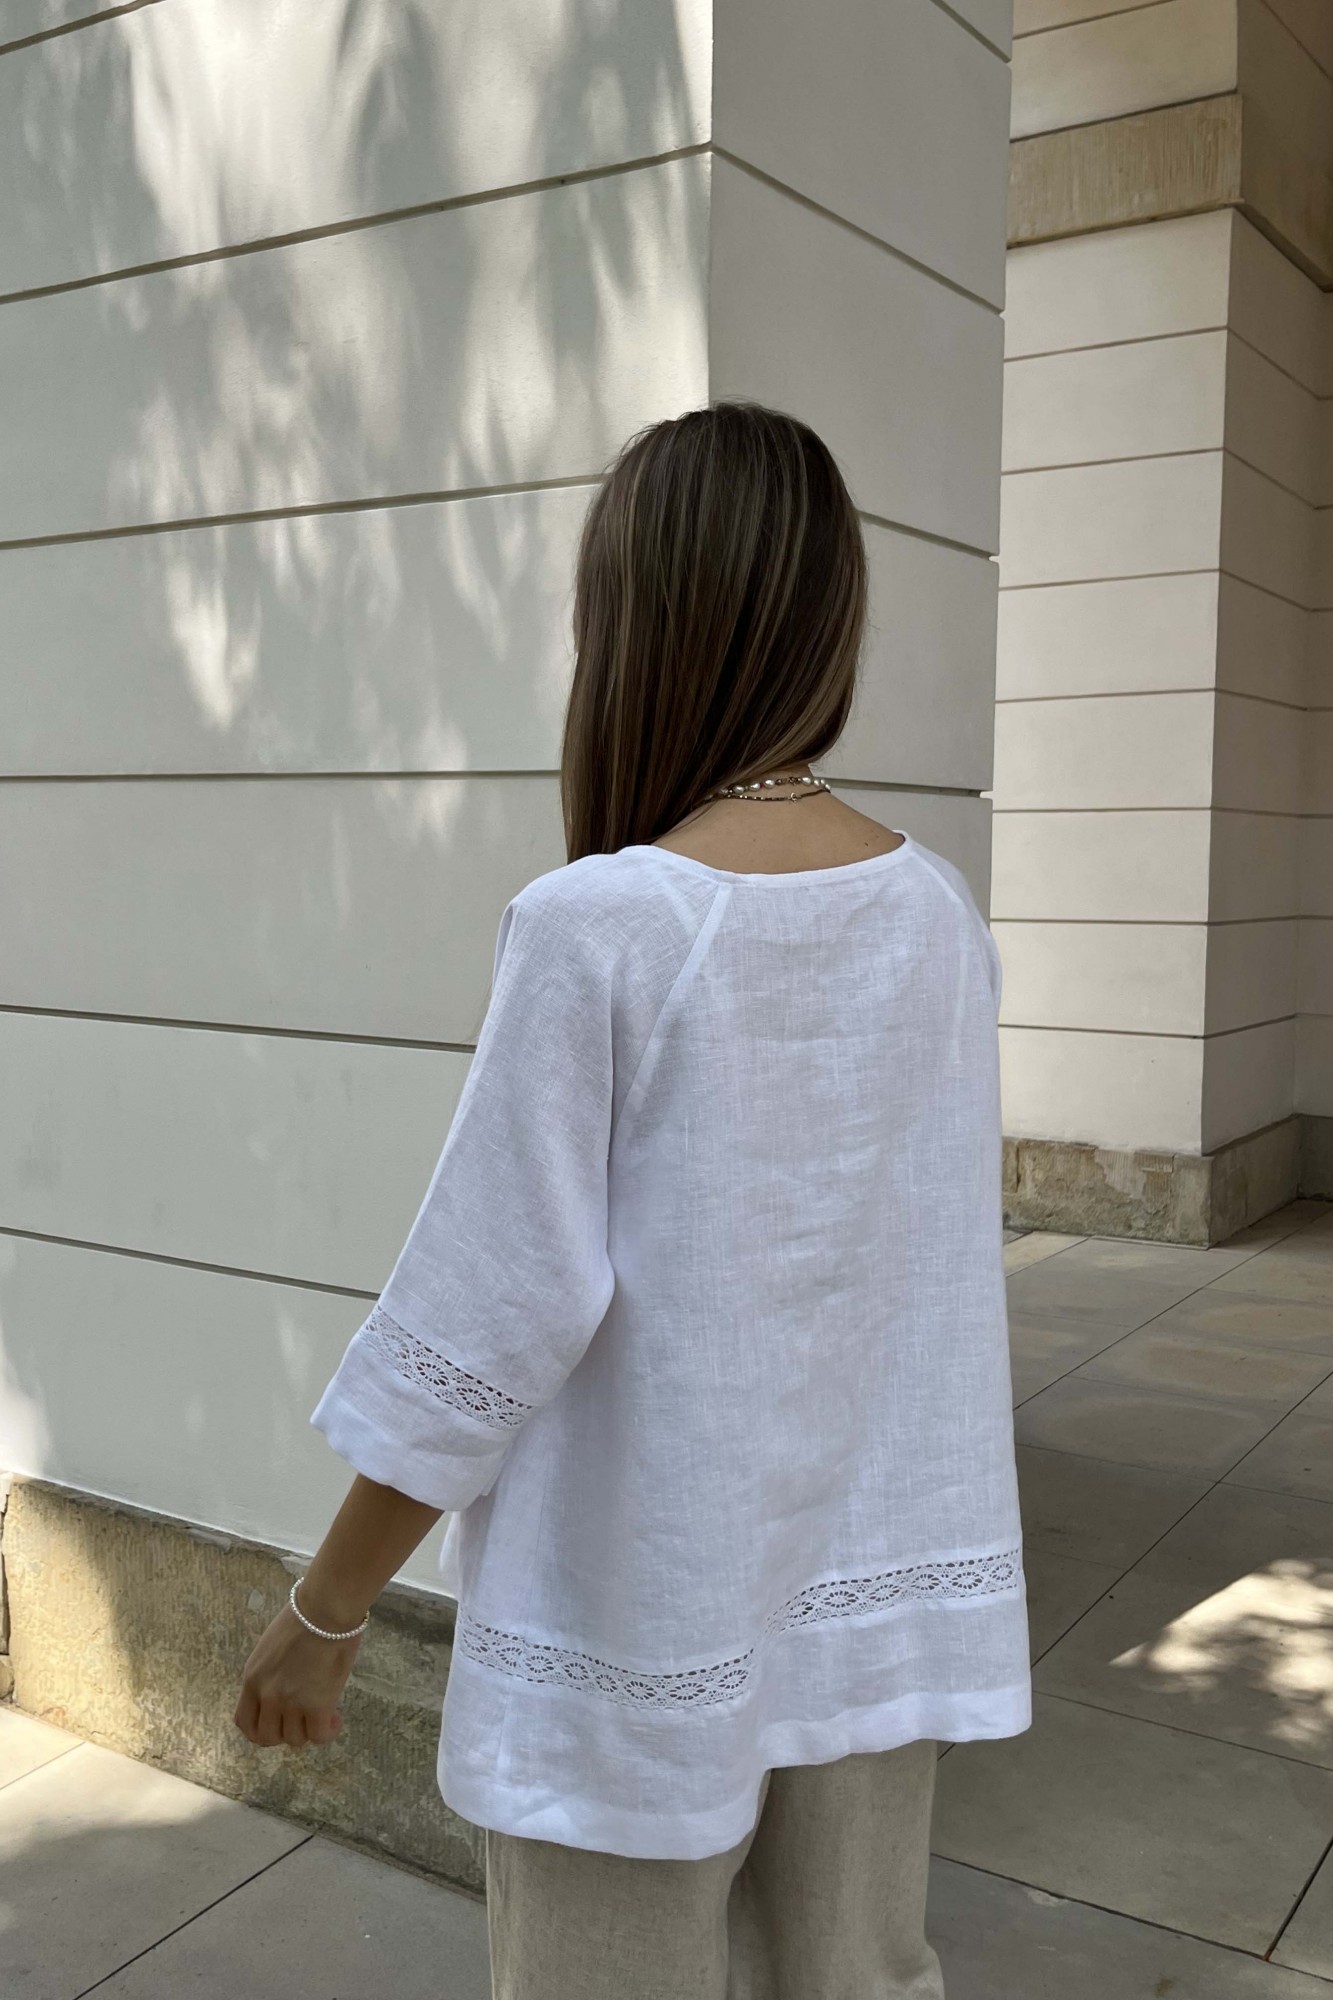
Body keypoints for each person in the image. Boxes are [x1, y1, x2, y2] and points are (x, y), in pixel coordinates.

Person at [234, 401, 1031, 1998]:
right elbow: (917, 1273)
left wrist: (324, 1611)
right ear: (827, 622)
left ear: (631, 627)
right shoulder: (933, 913)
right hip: (873, 1602)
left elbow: (492, 1308)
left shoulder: (600, 925)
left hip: (637, 1618)